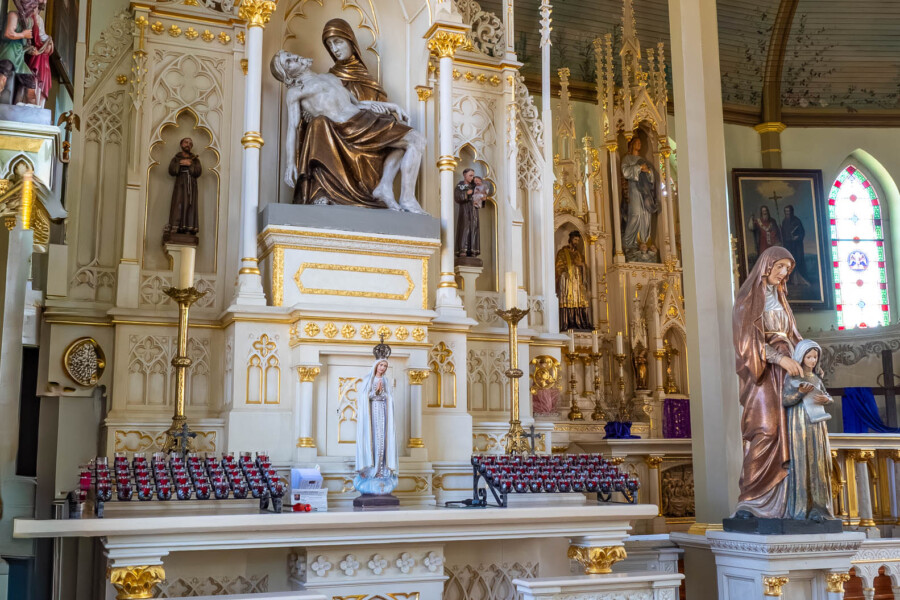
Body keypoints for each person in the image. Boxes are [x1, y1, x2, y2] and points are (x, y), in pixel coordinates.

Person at [271, 50, 426, 213]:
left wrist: (392, 106)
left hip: (363, 120)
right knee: (411, 141)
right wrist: (290, 163)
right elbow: (293, 128)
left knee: (416, 140)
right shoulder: (296, 92)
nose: (294, 57)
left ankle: (391, 190)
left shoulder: (330, 77)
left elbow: (357, 104)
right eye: (287, 62)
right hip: (344, 129)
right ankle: (405, 199)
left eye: (289, 55)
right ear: (287, 76)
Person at [732, 246, 803, 519]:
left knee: (789, 432)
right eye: (780, 266)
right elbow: (746, 343)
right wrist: (777, 358)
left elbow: (792, 334)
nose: (784, 272)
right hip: (762, 374)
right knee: (766, 430)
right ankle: (751, 500)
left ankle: (784, 506)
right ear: (767, 265)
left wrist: (805, 355)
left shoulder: (781, 298)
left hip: (786, 374)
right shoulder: (747, 300)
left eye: (788, 268)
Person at [782, 339, 835, 522]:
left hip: (817, 423)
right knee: (803, 461)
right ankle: (802, 508)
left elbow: (827, 396)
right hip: (799, 422)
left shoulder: (816, 377)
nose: (812, 360)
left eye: (815, 357)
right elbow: (785, 401)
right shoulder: (792, 377)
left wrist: (826, 400)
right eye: (809, 356)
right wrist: (800, 393)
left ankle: (819, 507)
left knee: (818, 461)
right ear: (801, 356)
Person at [354, 358, 398, 496]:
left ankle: (381, 471)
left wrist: (383, 394)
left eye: (385, 366)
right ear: (376, 366)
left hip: (383, 413)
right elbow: (363, 397)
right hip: (371, 413)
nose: (383, 368)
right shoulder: (369, 379)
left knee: (382, 442)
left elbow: (389, 396)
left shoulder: (385, 381)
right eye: (381, 365)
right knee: (372, 441)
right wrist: (375, 393)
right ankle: (370, 471)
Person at [322, 18, 386, 102]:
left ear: (351, 43)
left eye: (338, 42)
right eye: (329, 45)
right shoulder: (328, 80)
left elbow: (385, 110)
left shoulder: (369, 81)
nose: (334, 49)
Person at [620, 136, 660, 260]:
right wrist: (639, 168)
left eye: (640, 143)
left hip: (645, 192)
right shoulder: (627, 158)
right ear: (631, 144)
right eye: (636, 142)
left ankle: (644, 242)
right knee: (635, 214)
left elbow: (652, 177)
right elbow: (626, 172)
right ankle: (628, 243)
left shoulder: (644, 160)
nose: (639, 144)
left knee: (646, 215)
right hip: (634, 190)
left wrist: (648, 172)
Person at [165, 137, 202, 241]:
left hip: (191, 187)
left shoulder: (195, 160)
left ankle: (189, 228)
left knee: (190, 205)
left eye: (190, 143)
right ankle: (176, 227)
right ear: (181, 144)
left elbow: (198, 171)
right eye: (186, 142)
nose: (188, 145)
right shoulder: (176, 158)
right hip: (180, 185)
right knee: (179, 204)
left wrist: (190, 165)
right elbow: (172, 170)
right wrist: (181, 163)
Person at [556, 231, 592, 330]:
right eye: (575, 240)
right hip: (568, 283)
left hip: (578, 283)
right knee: (569, 300)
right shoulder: (562, 252)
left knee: (581, 300)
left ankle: (580, 322)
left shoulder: (578, 254)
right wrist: (564, 273)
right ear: (570, 239)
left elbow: (583, 266)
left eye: (578, 240)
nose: (576, 242)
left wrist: (581, 265)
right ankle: (569, 322)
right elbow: (558, 267)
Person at [23, 0, 50, 107]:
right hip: (28, 51)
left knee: (43, 62)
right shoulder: (26, 17)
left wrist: (49, 41)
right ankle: (32, 99)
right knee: (40, 61)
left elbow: (42, 36)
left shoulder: (38, 19)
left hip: (34, 50)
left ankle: (37, 100)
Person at [781, 205, 810, 286]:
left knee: (798, 261)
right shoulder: (784, 221)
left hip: (796, 246)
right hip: (788, 246)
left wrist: (797, 237)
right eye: (786, 211)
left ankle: (801, 279)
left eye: (789, 211)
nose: (787, 213)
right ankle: (790, 280)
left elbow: (802, 233)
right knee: (789, 262)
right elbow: (783, 234)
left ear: (791, 212)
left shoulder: (797, 221)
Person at [454, 168, 480, 258]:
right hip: (464, 211)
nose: (472, 177)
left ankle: (473, 250)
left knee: (474, 228)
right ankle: (463, 249)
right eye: (470, 175)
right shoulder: (461, 185)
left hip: (473, 211)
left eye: (473, 175)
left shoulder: (474, 186)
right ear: (465, 175)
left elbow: (480, 197)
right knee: (465, 228)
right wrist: (466, 193)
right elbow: (457, 197)